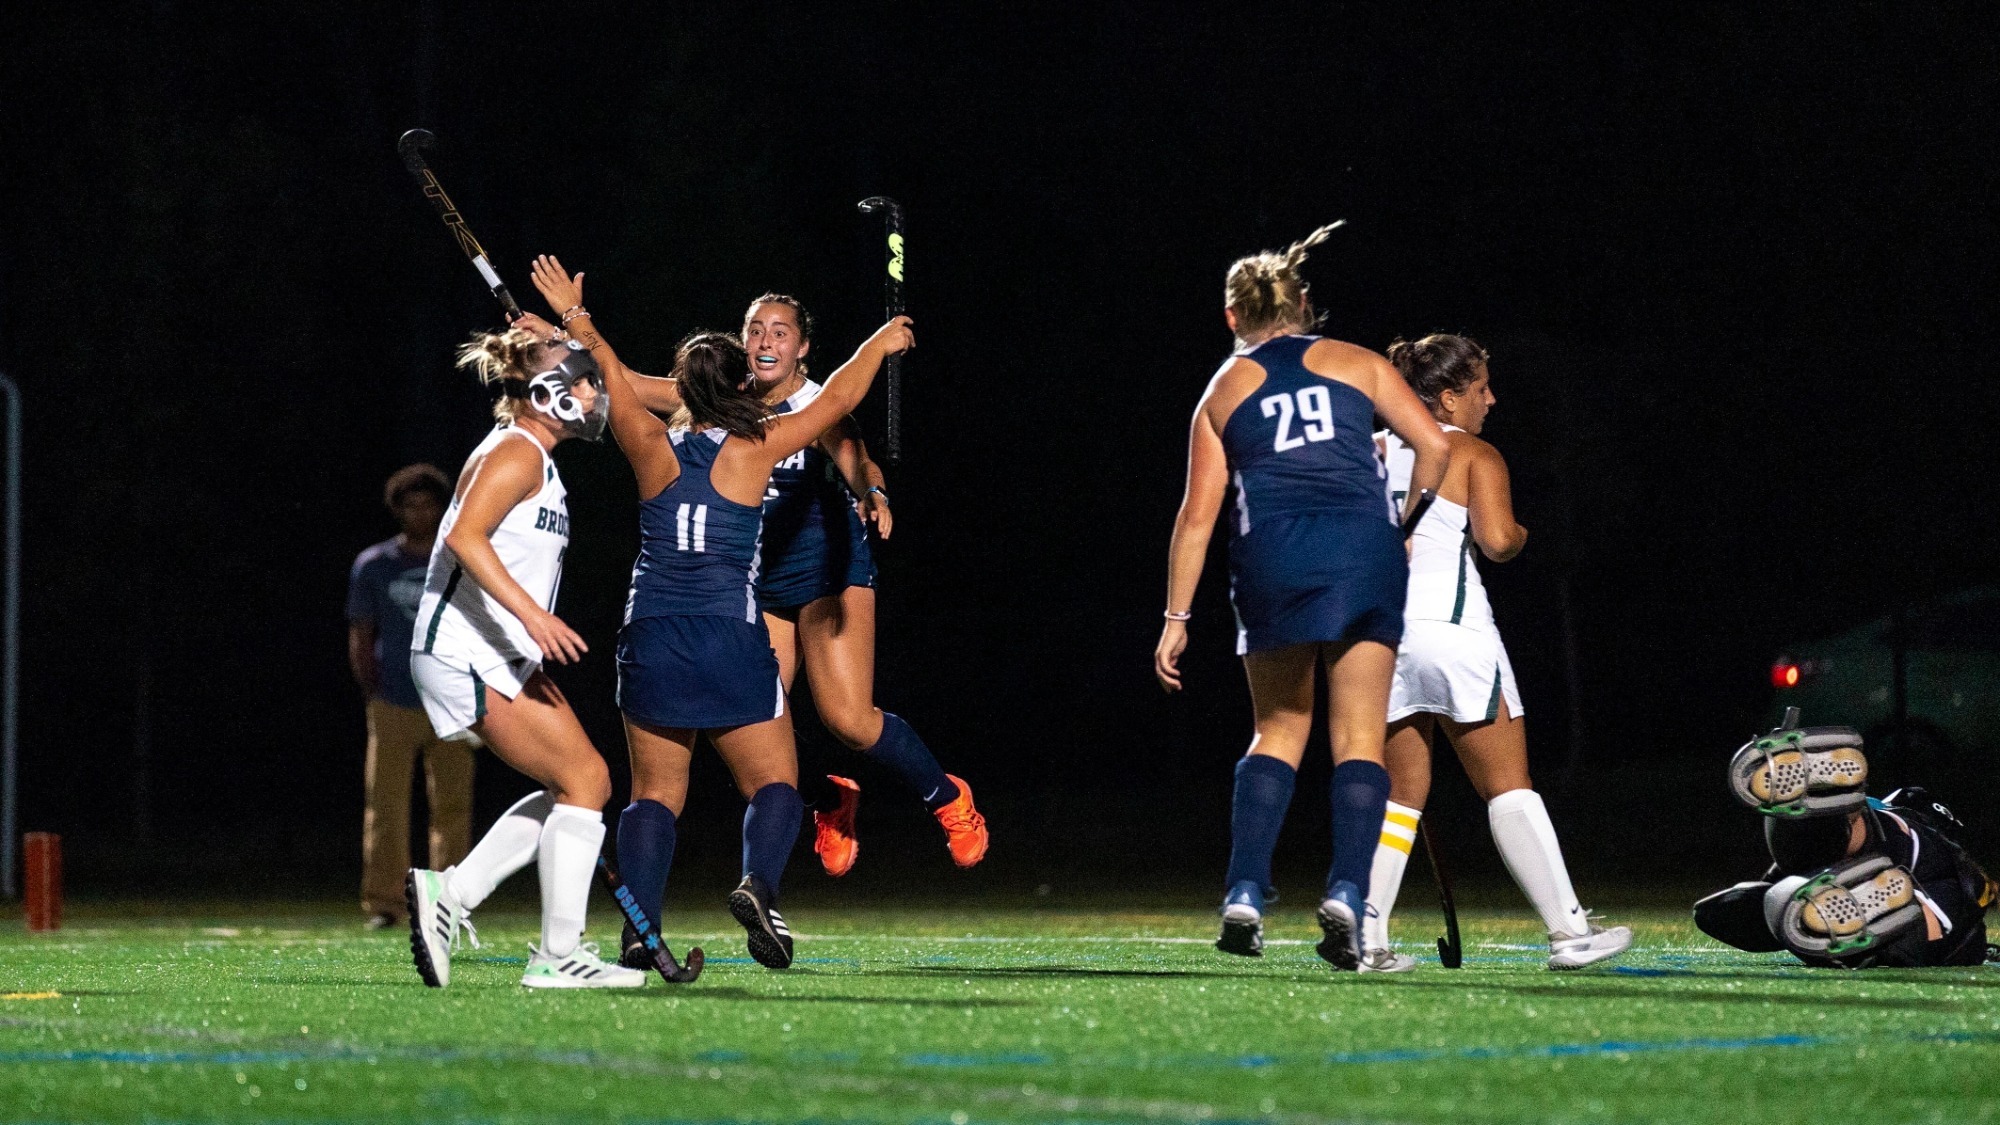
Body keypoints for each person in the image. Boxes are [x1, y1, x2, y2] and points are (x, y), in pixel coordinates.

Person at [524, 256, 913, 971]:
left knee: (654, 795)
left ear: (680, 391)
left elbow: (606, 372)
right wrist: (879, 343)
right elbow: (833, 405)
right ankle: (759, 885)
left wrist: (566, 326)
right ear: (741, 385)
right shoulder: (755, 449)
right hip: (729, 635)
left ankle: (640, 929)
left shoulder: (646, 444)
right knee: (775, 786)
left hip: (651, 636)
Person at [1154, 225, 1450, 970]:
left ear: (1233, 317)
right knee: (1359, 738)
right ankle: (1348, 893)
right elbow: (1436, 446)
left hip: (1275, 559)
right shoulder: (1360, 362)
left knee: (1278, 728)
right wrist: (1403, 525)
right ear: (1305, 303)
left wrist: (1175, 619)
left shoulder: (1223, 390)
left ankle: (1245, 891)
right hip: (1362, 553)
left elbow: (1197, 516)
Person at [610, 295, 986, 880]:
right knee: (741, 722)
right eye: (755, 330)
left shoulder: (816, 403)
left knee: (848, 719)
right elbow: (626, 383)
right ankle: (830, 802)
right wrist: (560, 338)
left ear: (803, 347)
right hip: (757, 582)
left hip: (827, 568)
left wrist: (873, 492)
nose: (765, 342)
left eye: (780, 333)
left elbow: (856, 456)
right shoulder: (719, 396)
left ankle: (948, 798)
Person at [1359, 335, 1630, 972]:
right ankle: (1569, 934)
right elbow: (1500, 541)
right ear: (1449, 396)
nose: (1491, 398)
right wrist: (1525, 532)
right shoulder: (1473, 451)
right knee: (1508, 787)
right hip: (1456, 633)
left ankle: (1366, 938)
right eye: (1480, 387)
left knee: (1402, 794)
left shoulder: (1369, 452)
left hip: (1380, 637)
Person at [402, 311, 645, 990]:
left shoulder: (531, 454)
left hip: (492, 650)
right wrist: (534, 615)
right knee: (584, 780)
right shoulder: (514, 451)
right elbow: (465, 539)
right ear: (551, 393)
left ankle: (453, 894)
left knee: (585, 781)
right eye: (586, 383)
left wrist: (566, 333)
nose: (595, 396)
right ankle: (554, 952)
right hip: (464, 649)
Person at [1695, 712, 1994, 967]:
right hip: (1913, 868)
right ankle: (1852, 923)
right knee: (1795, 906)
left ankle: (1834, 914)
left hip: (1876, 838)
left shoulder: (1897, 810)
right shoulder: (1942, 845)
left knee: (1786, 901)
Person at [347, 464, 474, 929]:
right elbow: (361, 631)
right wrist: (370, 685)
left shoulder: (457, 559)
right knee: (386, 804)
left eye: (429, 504)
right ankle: (386, 903)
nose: (421, 513)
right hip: (393, 699)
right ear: (397, 509)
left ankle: (448, 904)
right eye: (411, 505)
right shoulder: (374, 565)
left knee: (454, 806)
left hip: (451, 698)